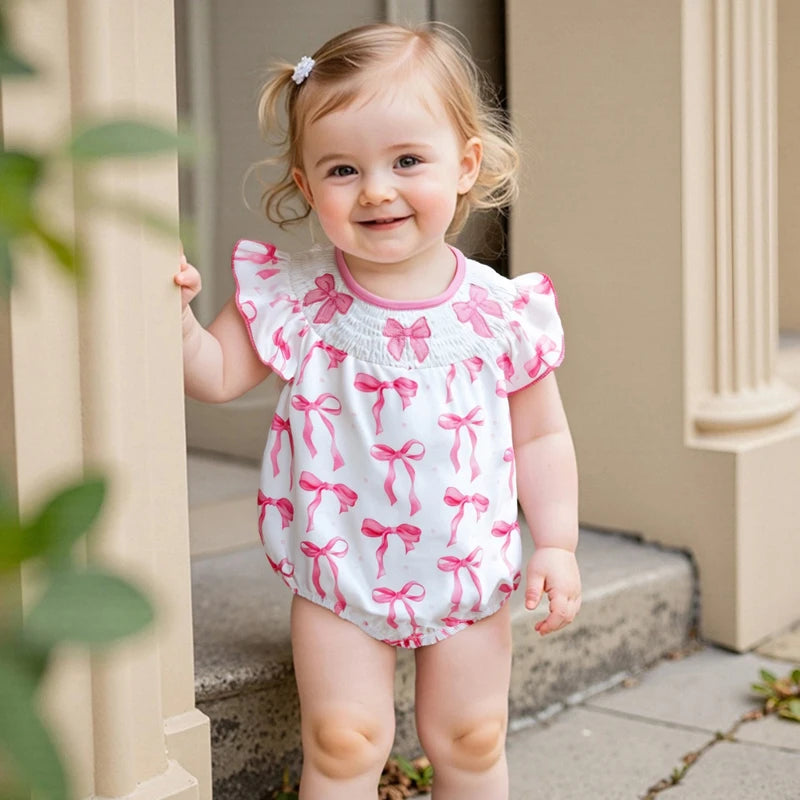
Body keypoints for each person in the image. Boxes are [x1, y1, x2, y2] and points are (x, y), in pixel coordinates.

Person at [175, 22, 581, 800]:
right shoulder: (301, 296)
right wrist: (176, 317)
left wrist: (556, 542)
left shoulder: (500, 312)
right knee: (342, 741)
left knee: (472, 735)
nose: (376, 189)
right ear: (306, 187)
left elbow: (541, 435)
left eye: (407, 161)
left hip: (466, 566)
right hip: (341, 568)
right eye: (343, 169)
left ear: (466, 165)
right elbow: (216, 374)